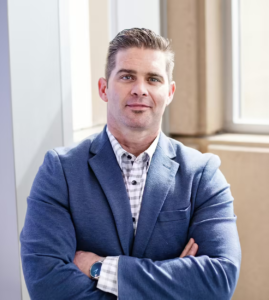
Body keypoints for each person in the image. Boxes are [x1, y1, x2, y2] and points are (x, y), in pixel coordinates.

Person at [20, 28, 241, 300]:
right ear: (104, 88)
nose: (140, 89)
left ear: (169, 92)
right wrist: (176, 279)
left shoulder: (202, 175)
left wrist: (100, 268)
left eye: (153, 79)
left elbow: (219, 281)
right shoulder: (60, 172)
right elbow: (46, 285)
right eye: (127, 77)